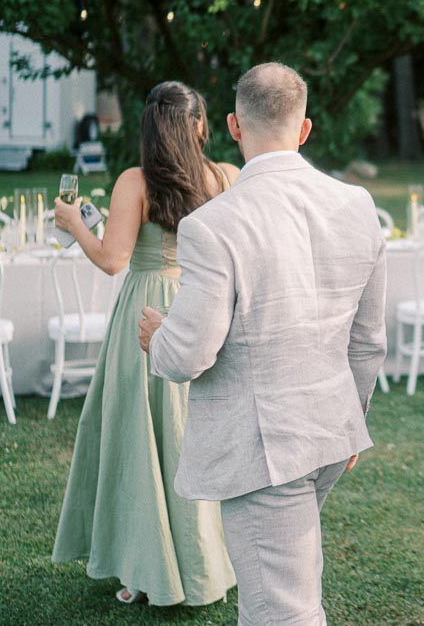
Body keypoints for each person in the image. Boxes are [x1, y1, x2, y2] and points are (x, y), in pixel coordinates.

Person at [137, 62, 388, 626]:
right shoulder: (357, 205)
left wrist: (159, 339)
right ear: (304, 130)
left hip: (264, 449)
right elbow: (369, 341)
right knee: (286, 597)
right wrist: (352, 418)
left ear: (232, 125)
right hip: (327, 432)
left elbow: (189, 354)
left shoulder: (213, 225)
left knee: (281, 611)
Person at [52, 81, 239, 606]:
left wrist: (73, 223)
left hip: (147, 310)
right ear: (199, 125)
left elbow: (112, 260)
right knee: (196, 433)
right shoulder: (227, 177)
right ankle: (206, 561)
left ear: (150, 128)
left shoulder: (136, 181)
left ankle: (143, 565)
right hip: (204, 305)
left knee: (141, 439)